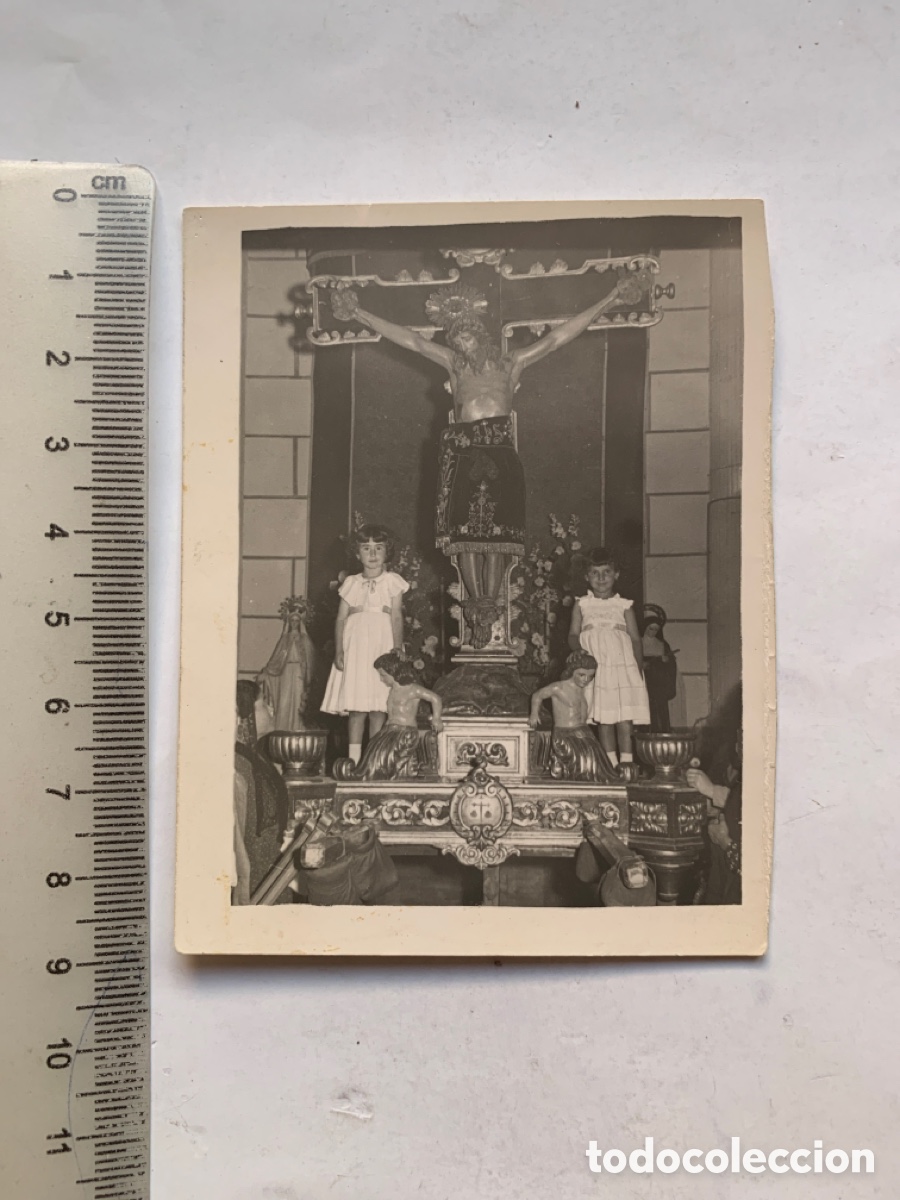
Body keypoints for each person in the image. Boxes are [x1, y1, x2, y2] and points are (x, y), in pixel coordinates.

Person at [330, 275, 641, 617]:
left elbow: (556, 338)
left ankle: (490, 600)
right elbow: (413, 342)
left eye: (466, 337)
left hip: (499, 452)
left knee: (497, 537)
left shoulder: (511, 364)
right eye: (456, 340)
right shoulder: (455, 365)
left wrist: (611, 299)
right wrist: (359, 314)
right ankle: (476, 599)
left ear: (481, 336)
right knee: (464, 537)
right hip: (464, 452)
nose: (462, 345)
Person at [321, 524, 408, 764]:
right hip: (357, 644)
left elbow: (397, 616)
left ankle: (373, 761)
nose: (372, 554)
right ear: (357, 553)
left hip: (382, 642)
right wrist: (339, 650)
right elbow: (341, 619)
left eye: (378, 548)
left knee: (378, 705)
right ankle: (354, 760)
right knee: (357, 706)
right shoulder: (351, 582)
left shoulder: (392, 581)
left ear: (387, 552)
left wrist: (397, 647)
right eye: (366, 548)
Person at [568, 548, 650, 772]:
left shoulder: (624, 605)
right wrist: (579, 650)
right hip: (596, 666)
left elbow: (635, 639)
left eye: (606, 572)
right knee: (604, 716)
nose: (601, 578)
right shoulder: (582, 604)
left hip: (621, 667)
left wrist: (638, 669)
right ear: (587, 577)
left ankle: (627, 763)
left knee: (624, 716)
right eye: (595, 573)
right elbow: (573, 634)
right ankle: (610, 765)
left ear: (616, 575)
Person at [334, 651, 444, 781]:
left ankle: (378, 777)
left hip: (405, 732)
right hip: (389, 730)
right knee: (372, 749)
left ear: (394, 671)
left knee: (384, 755)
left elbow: (435, 698)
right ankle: (361, 774)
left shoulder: (412, 689)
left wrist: (437, 718)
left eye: (383, 675)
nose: (381, 679)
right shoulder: (393, 689)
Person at [528, 650, 618, 782]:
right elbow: (537, 695)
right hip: (566, 733)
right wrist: (534, 714)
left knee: (598, 756)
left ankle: (605, 781)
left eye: (590, 676)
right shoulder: (559, 687)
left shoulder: (581, 688)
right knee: (587, 756)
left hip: (583, 731)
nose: (586, 680)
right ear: (572, 671)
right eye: (581, 675)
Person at [256, 597, 315, 731]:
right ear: (288, 622)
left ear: (300, 622)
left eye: (297, 621)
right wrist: (267, 671)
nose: (294, 623)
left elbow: (310, 658)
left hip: (299, 672)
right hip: (285, 672)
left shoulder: (305, 639)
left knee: (298, 701)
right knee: (284, 700)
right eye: (292, 620)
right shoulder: (284, 639)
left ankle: (297, 729)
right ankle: (283, 729)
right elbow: (276, 658)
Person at [640, 602, 678, 732]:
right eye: (650, 628)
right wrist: (641, 664)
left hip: (658, 681)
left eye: (656, 629)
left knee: (660, 705)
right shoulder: (637, 642)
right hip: (643, 679)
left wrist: (666, 661)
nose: (653, 632)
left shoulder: (662, 644)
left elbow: (671, 663)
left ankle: (662, 731)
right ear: (645, 628)